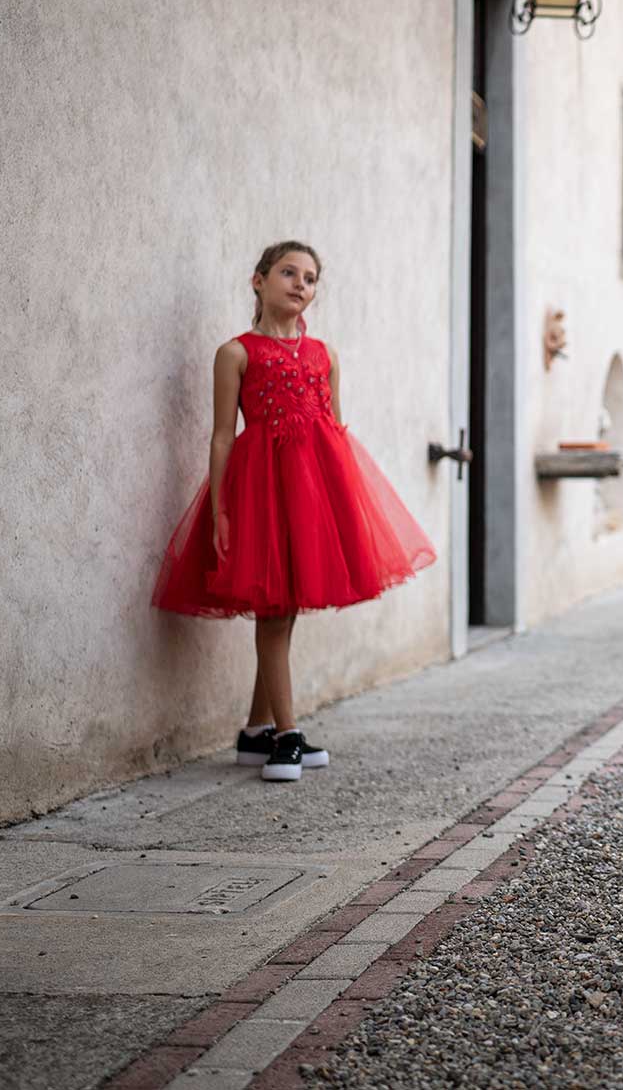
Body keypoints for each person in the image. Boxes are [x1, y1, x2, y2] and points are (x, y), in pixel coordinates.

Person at [151, 241, 435, 781]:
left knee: (284, 609)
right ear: (258, 281)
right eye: (288, 272)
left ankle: (258, 733)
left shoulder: (324, 355)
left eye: (310, 278)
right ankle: (288, 735)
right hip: (259, 493)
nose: (300, 284)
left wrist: (344, 501)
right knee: (274, 611)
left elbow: (335, 431)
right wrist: (220, 511)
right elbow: (220, 438)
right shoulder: (235, 353)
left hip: (312, 496)